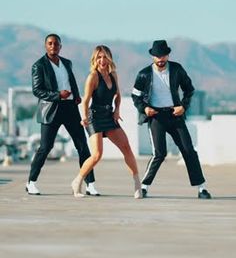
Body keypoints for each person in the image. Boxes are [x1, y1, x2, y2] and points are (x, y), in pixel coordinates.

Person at [132, 39, 212, 199]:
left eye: (163, 56)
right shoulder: (144, 74)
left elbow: (189, 89)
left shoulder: (176, 69)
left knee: (189, 150)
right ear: (152, 57)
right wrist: (144, 108)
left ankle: (201, 188)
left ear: (168, 55)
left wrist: (183, 106)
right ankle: (144, 187)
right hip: (156, 116)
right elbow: (136, 95)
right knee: (159, 154)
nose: (161, 59)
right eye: (157, 56)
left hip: (174, 115)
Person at [26, 33, 99, 196]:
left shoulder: (67, 63)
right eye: (50, 43)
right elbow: (37, 90)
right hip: (51, 110)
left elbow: (71, 81)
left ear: (60, 46)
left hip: (70, 108)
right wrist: (58, 95)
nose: (53, 46)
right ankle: (31, 182)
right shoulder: (39, 66)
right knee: (45, 147)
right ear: (46, 46)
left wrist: (76, 95)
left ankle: (90, 184)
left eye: (56, 44)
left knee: (82, 146)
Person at [71, 45, 142, 199]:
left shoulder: (113, 75)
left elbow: (117, 96)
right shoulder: (93, 77)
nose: (102, 60)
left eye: (105, 57)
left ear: (109, 58)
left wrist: (116, 111)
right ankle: (77, 181)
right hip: (94, 117)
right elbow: (85, 101)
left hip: (109, 116)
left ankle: (137, 184)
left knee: (126, 147)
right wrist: (84, 118)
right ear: (95, 59)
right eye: (99, 57)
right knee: (97, 154)